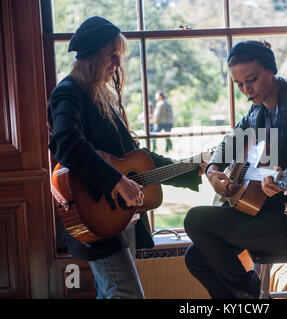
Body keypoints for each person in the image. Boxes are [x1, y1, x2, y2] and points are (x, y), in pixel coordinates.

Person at [47, 16, 206, 299]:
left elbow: (138, 158)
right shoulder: (68, 93)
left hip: (121, 217)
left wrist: (192, 167)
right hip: (93, 215)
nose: (118, 64)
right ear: (92, 55)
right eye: (112, 56)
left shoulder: (103, 97)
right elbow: (66, 142)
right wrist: (116, 181)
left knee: (111, 293)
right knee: (125, 294)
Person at [183, 40, 287, 299]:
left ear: (271, 70)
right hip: (262, 214)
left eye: (251, 79)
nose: (246, 89)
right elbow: (226, 147)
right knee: (195, 257)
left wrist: (286, 186)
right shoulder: (256, 113)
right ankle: (246, 297)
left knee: (194, 219)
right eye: (239, 84)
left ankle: (249, 289)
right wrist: (213, 172)